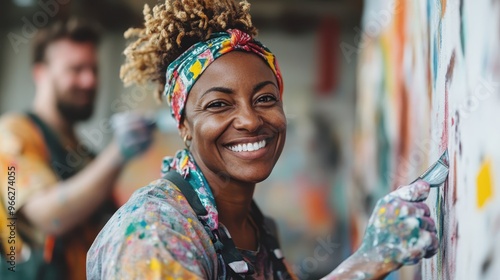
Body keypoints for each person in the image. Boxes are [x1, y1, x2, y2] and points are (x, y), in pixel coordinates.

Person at [86, 1, 438, 279]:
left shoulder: (256, 227)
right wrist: (366, 262)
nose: (251, 120)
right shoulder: (155, 233)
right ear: (185, 127)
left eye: (265, 98)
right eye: (219, 104)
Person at [0, 18, 154, 279]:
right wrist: (118, 153)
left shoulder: (84, 154)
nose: (89, 81)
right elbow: (49, 217)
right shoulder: (13, 133)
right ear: (41, 73)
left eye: (93, 69)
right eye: (76, 69)